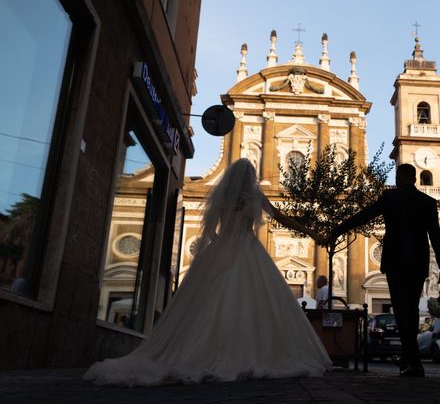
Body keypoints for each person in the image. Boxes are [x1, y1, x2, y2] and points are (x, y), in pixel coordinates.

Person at [84, 159, 332, 386]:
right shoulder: (255, 197)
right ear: (251, 178)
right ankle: (246, 351)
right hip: (248, 248)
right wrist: (314, 234)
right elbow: (285, 219)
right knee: (251, 301)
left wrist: (220, 244)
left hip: (222, 248)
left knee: (210, 302)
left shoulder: (222, 196)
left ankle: (203, 351)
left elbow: (210, 229)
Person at [324, 163, 440, 377]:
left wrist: (337, 230)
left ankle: (411, 360)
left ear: (399, 177)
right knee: (411, 311)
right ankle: (411, 361)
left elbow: (363, 216)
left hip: (396, 262)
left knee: (401, 312)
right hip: (418, 263)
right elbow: (436, 239)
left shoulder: (390, 198)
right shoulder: (428, 202)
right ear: (415, 179)